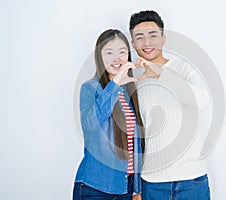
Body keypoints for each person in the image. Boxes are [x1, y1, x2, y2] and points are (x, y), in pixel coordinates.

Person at [129, 10, 212, 199]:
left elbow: (202, 100)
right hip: (152, 183)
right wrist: (137, 188)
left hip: (191, 180)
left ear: (163, 39)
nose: (147, 43)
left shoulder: (183, 68)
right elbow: (136, 136)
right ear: (133, 44)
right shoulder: (135, 80)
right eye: (139, 37)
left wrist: (161, 74)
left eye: (153, 35)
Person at [72, 29, 144, 200]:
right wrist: (115, 83)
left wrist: (137, 189)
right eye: (109, 52)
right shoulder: (90, 88)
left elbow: (136, 143)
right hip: (95, 188)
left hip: (125, 189)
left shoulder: (128, 91)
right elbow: (90, 124)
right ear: (99, 57)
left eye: (122, 52)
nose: (116, 58)